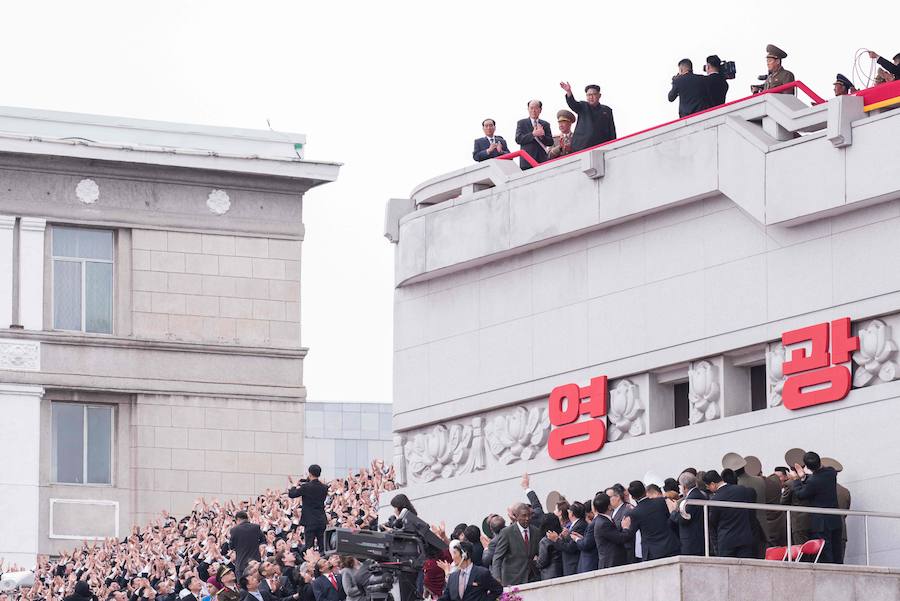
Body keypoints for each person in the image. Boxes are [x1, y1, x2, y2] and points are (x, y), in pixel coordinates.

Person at [790, 451, 842, 563]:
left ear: (807, 467)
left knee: (825, 554)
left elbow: (801, 494)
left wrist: (796, 480)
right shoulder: (831, 472)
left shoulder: (813, 481)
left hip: (821, 524)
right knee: (837, 552)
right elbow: (817, 480)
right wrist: (804, 477)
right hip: (835, 519)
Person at [620, 481, 679, 561]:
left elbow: (630, 534)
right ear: (645, 491)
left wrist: (625, 527)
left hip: (652, 552)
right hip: (670, 546)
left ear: (633, 497)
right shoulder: (661, 502)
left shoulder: (634, 512)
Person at [703, 470, 755, 558]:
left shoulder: (715, 499)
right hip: (745, 538)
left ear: (713, 484)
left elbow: (712, 523)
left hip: (726, 541)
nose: (709, 490)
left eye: (708, 487)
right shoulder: (741, 490)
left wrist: (716, 546)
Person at [489, 503, 541, 585]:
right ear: (516, 517)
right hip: (513, 579)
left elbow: (540, 554)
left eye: (529, 515)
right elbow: (497, 557)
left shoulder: (536, 531)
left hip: (532, 577)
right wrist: (497, 578)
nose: (527, 518)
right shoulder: (507, 533)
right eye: (524, 516)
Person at [559, 82, 616, 151]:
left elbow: (612, 130)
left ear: (599, 95)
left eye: (593, 94)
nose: (591, 97)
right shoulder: (583, 106)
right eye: (588, 95)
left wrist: (613, 145)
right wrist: (568, 91)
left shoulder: (607, 110)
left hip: (601, 146)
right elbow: (573, 104)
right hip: (582, 146)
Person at [438, 541, 503, 601]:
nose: (453, 557)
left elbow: (498, 589)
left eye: (455, 553)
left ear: (464, 555)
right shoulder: (452, 577)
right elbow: (446, 596)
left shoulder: (481, 573)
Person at [287, 466, 329, 553]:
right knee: (322, 546)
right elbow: (314, 485)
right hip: (321, 519)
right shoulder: (324, 487)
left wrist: (294, 485)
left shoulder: (306, 487)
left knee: (309, 546)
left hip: (309, 520)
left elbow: (292, 494)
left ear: (309, 474)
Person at [669, 472, 707, 556]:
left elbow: (683, 519)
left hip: (692, 542)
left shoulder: (690, 500)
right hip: (700, 539)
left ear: (684, 487)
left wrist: (673, 511)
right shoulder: (702, 495)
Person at [592, 494, 630, 569]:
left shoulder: (603, 519)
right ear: (609, 507)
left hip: (612, 562)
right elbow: (620, 539)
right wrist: (626, 528)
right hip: (611, 563)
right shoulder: (603, 523)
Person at [514, 100, 554, 169]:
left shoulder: (545, 124)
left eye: (536, 108)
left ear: (540, 110)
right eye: (531, 108)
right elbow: (518, 139)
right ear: (528, 109)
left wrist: (542, 136)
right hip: (527, 161)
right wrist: (533, 134)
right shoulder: (521, 123)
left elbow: (550, 142)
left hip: (542, 160)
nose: (533, 110)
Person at [553, 501, 586, 576]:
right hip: (569, 564)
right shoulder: (576, 525)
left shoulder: (579, 525)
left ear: (572, 513)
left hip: (573, 563)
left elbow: (571, 547)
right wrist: (567, 535)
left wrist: (556, 539)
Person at [231, 512, 265, 583]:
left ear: (238, 519)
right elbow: (263, 540)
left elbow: (231, 546)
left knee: (243, 587)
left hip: (241, 563)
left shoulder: (234, 530)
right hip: (256, 562)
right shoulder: (256, 527)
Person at [536, 514, 563, 580]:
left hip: (549, 574)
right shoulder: (560, 537)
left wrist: (536, 561)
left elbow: (542, 561)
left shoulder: (545, 541)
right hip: (561, 570)